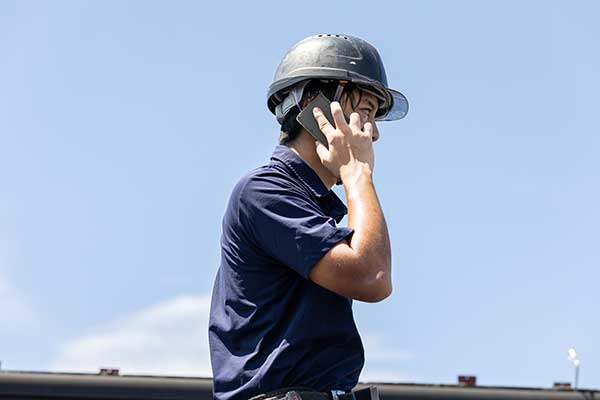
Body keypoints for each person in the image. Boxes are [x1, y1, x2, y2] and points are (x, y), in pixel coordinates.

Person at [208, 34, 409, 400]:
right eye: (365, 111)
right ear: (315, 108)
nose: (374, 132)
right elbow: (373, 277)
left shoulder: (314, 206)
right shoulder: (264, 192)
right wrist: (356, 172)